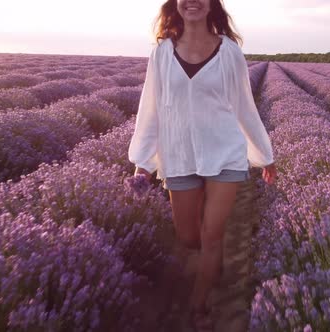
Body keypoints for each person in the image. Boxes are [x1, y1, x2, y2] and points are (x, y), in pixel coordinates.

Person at [127, 0, 277, 330]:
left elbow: (244, 106)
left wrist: (264, 155)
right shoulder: (162, 53)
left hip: (224, 154)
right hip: (179, 155)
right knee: (188, 237)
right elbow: (150, 109)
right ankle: (211, 260)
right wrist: (143, 162)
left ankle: (198, 303)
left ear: (211, 5)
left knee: (212, 235)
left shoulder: (230, 52)